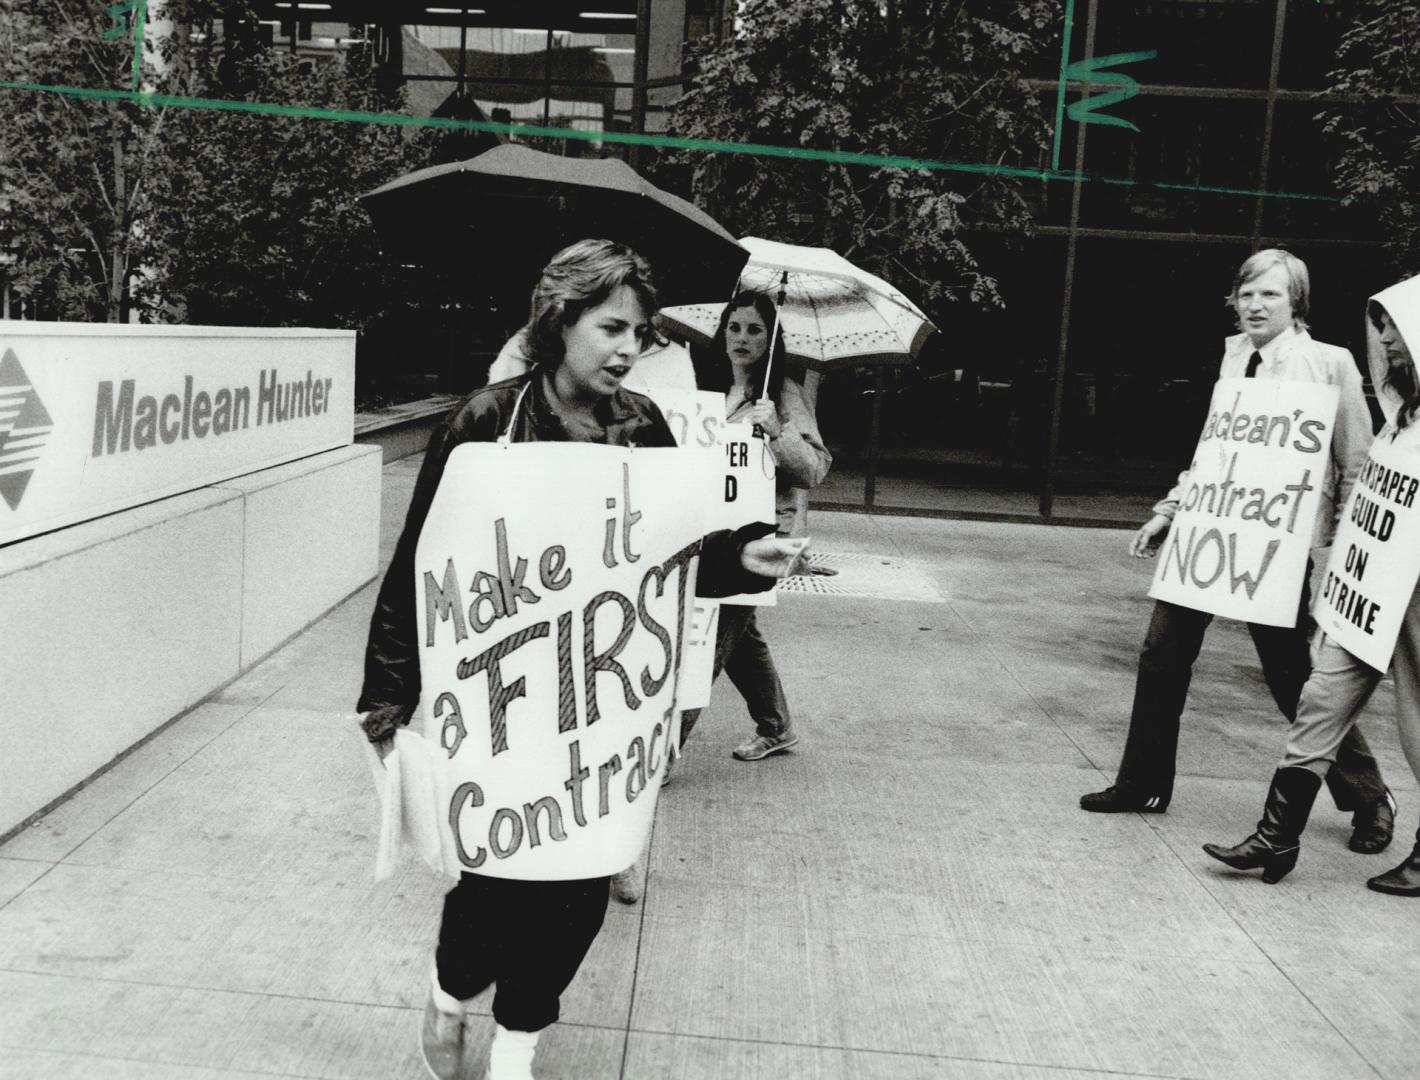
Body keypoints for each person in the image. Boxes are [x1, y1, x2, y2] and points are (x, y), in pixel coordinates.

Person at [354, 240, 808, 1080]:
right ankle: (451, 994)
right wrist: (387, 697)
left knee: (582, 883)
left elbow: (685, 555)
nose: (630, 348)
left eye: (640, 332)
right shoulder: (485, 421)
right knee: (492, 882)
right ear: (559, 320)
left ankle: (517, 1045)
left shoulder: (649, 427)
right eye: (612, 328)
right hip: (502, 700)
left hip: (608, 704)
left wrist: (743, 562)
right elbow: (421, 564)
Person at [1079, 249, 1396, 854]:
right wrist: (1170, 510)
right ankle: (1142, 782)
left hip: (1277, 545)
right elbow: (1214, 449)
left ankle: (1368, 796)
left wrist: (1341, 559)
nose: (1255, 305)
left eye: (1270, 295)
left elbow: (1355, 466)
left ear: (1296, 302)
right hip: (1210, 533)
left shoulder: (1328, 364)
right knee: (1161, 654)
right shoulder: (1234, 356)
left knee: (1292, 677)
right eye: (1247, 293)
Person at [1203, 277, 1420, 891]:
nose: (1387, 344)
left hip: (1415, 593)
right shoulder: (1401, 418)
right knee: (1319, 698)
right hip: (1368, 587)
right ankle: (1276, 838)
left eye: (1397, 331)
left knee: (1419, 721)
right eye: (1381, 329)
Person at [675, 291, 832, 766]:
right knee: (743, 640)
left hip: (761, 541)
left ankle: (661, 751)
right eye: (735, 327)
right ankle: (778, 727)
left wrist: (777, 430)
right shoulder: (711, 390)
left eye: (755, 330)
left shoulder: (782, 394)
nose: (742, 338)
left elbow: (814, 469)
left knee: (710, 645)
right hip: (714, 536)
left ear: (771, 338)